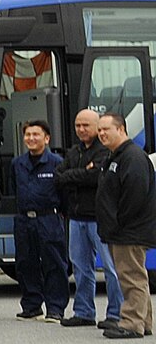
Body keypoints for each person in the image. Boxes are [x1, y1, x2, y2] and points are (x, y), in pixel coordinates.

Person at [56, 107, 124, 330]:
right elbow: (59, 176)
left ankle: (116, 313)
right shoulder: (74, 151)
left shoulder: (105, 151)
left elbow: (96, 177)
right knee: (80, 267)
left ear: (97, 127)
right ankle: (84, 311)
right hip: (76, 218)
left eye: (86, 125)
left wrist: (75, 176)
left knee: (111, 268)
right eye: (78, 125)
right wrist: (80, 174)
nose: (81, 129)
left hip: (99, 219)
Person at [94, 111, 154, 339]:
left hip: (130, 231)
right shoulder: (116, 156)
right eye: (99, 130)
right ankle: (143, 322)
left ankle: (131, 323)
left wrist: (118, 223)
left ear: (121, 129)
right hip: (123, 230)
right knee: (135, 276)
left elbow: (135, 195)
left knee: (131, 278)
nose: (101, 134)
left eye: (105, 129)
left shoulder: (133, 157)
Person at [10, 119, 68, 322]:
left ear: (47, 138)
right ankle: (32, 306)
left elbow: (65, 194)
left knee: (54, 263)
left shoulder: (58, 163)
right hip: (24, 220)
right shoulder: (17, 164)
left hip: (49, 219)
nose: (31, 138)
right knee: (25, 263)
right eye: (28, 135)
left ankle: (55, 308)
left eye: (36, 135)